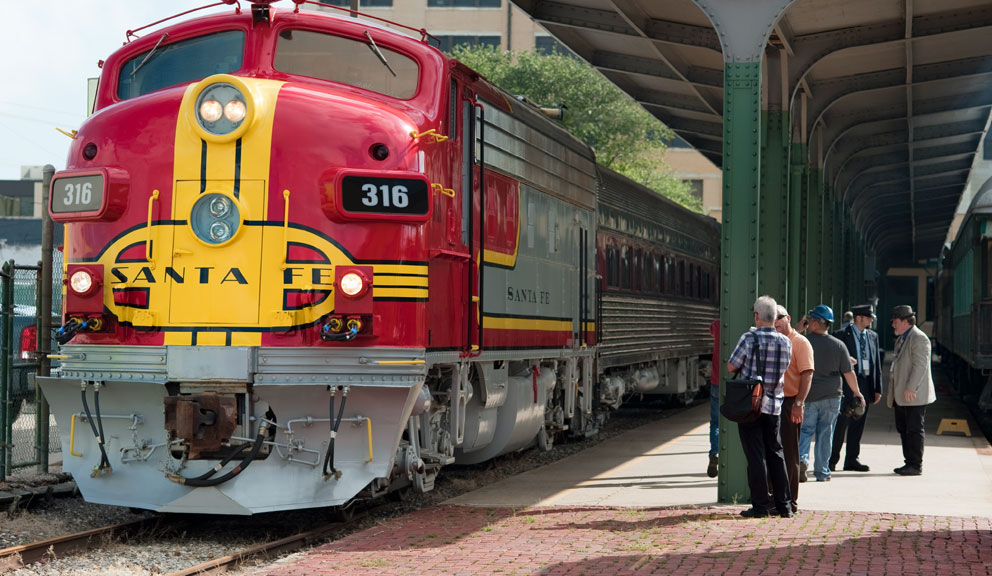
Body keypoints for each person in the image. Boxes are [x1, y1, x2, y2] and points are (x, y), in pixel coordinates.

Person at [726, 295, 793, 518]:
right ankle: (785, 505)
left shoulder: (748, 338)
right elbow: (784, 368)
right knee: (776, 452)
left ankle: (761, 506)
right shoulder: (786, 342)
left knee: (756, 455)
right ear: (775, 318)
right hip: (774, 405)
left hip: (751, 405)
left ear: (757, 316)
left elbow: (731, 366)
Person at [796, 305, 864, 482]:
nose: (808, 323)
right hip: (832, 396)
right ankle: (822, 472)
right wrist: (857, 392)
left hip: (809, 395)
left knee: (805, 431)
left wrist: (798, 328)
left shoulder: (804, 342)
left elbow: (790, 342)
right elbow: (849, 373)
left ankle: (802, 461)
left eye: (810, 320)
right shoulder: (839, 346)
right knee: (826, 433)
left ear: (817, 323)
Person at [830, 304, 882, 472]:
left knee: (858, 423)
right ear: (859, 318)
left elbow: (876, 364)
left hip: (865, 384)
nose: (871, 320)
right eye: (869, 317)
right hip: (846, 384)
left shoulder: (873, 336)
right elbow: (833, 360)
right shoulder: (840, 336)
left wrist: (877, 388)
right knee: (841, 423)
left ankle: (852, 459)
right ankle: (831, 460)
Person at [774, 305, 814, 513]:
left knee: (790, 452)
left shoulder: (800, 342)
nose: (776, 322)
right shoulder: (774, 340)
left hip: (790, 402)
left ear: (788, 318)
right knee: (774, 451)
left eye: (779, 317)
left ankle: (791, 500)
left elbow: (807, 374)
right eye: (772, 318)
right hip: (773, 402)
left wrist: (799, 403)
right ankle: (776, 498)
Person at [888, 305, 936, 476]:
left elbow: (920, 366)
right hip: (902, 394)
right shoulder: (902, 338)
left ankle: (915, 465)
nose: (893, 324)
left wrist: (911, 387)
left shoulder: (919, 338)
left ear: (905, 322)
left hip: (913, 394)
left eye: (895, 321)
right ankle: (908, 462)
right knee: (903, 427)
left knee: (914, 429)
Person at [707, 319, 720, 478]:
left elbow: (711, 330)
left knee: (716, 422)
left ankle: (715, 452)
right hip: (737, 385)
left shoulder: (717, 325)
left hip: (716, 382)